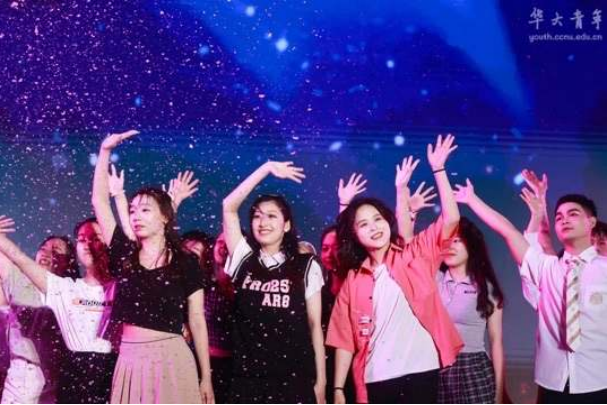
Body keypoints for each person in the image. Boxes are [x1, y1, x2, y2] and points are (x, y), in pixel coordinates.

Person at [327, 134, 463, 404]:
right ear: (354, 235)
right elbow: (343, 338)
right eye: (363, 224)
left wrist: (439, 169)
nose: (374, 227)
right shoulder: (354, 279)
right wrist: (338, 388)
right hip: (376, 377)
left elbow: (451, 219)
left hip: (421, 369)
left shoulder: (415, 255)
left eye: (377, 219)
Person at [454, 179, 607, 404]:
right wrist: (472, 199)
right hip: (552, 382)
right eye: (559, 217)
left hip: (598, 381)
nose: (564, 219)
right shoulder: (546, 267)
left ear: (591, 222)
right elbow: (508, 231)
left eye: (573, 214)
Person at [92, 130, 214, 404]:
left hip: (173, 359)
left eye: (145, 210)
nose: (136, 216)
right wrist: (105, 151)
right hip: (129, 359)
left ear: (165, 217)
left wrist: (206, 376)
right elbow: (99, 202)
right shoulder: (124, 253)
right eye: (132, 210)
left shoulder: (186, 262)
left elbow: (197, 319)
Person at [223, 161, 326, 404]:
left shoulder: (305, 265)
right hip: (247, 380)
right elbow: (228, 206)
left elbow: (314, 326)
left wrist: (321, 381)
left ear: (286, 225)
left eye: (271, 216)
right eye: (257, 216)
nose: (263, 222)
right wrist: (266, 168)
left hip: (294, 378)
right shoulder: (243, 258)